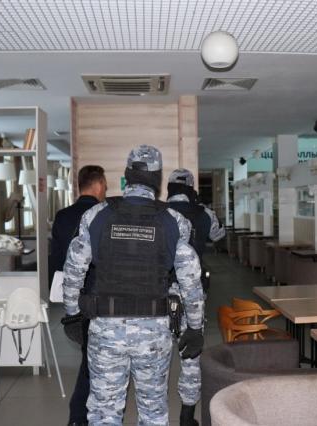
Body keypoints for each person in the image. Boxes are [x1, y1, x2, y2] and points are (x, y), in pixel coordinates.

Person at [62, 145, 205, 425]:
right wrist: (195, 327)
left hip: (105, 331)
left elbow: (73, 269)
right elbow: (190, 280)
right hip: (154, 333)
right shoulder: (174, 221)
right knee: (153, 412)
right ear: (158, 178)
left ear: (127, 175)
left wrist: (71, 315)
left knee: (104, 413)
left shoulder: (97, 215)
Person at [166, 168, 225, 426]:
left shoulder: (158, 212)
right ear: (192, 188)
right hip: (192, 294)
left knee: (156, 354)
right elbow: (218, 235)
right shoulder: (204, 214)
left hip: (160, 293)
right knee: (190, 355)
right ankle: (187, 417)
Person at [50, 165, 106, 426]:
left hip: (74, 296)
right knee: (91, 358)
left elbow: (56, 259)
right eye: (105, 186)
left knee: (89, 354)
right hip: (98, 296)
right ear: (98, 184)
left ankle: (84, 412)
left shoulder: (62, 216)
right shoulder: (102, 214)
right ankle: (79, 414)